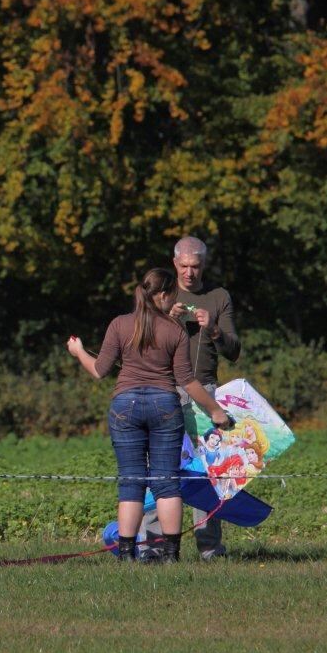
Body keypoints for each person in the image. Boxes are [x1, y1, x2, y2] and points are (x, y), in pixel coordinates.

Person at [68, 268, 231, 563]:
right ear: (166, 295)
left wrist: (79, 351)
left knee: (131, 481)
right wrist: (216, 411)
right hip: (165, 406)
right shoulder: (175, 331)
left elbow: (98, 371)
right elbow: (187, 380)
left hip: (124, 407)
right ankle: (171, 555)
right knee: (166, 482)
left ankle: (128, 555)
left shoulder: (119, 324)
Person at [140, 236, 241, 560]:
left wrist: (212, 330)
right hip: (163, 389)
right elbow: (140, 339)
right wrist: (168, 317)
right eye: (183, 266)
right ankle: (154, 546)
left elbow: (234, 350)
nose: (189, 273)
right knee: (160, 467)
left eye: (195, 267)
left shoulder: (218, 296)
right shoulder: (162, 293)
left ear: (203, 265)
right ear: (174, 264)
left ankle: (209, 546)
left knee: (207, 471)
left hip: (205, 392)